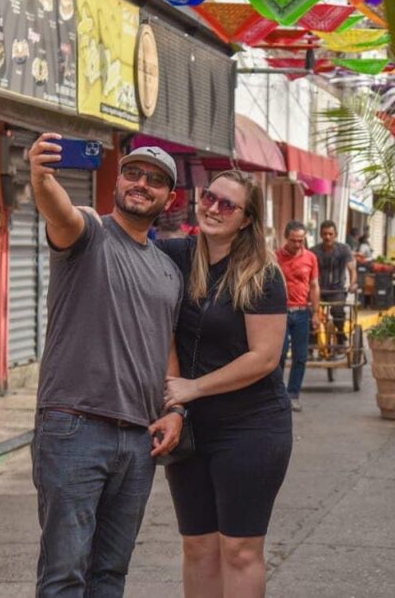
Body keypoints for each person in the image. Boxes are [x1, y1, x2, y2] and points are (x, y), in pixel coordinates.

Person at [27, 136, 184, 596]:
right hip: (74, 426)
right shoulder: (90, 233)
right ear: (117, 180)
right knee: (65, 573)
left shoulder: (167, 269)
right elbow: (59, 212)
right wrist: (41, 176)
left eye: (155, 180)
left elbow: (166, 344)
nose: (142, 184)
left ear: (168, 198)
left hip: (138, 440)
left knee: (110, 574)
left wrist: (174, 409)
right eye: (133, 173)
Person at [157, 170, 292, 598]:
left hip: (251, 426)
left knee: (239, 550)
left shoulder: (262, 275)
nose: (213, 208)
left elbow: (264, 358)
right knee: (197, 546)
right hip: (190, 427)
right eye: (210, 198)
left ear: (247, 219)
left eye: (227, 205)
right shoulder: (176, 256)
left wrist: (191, 388)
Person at [276, 220, 320, 412]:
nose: (297, 244)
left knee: (300, 357)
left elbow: (314, 285)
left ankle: (293, 394)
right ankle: (277, 395)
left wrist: (316, 313)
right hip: (281, 313)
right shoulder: (276, 257)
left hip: (302, 312)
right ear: (287, 238)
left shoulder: (310, 258)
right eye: (294, 240)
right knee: (279, 355)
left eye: (301, 240)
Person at [311, 220, 357, 351]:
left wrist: (353, 283)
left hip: (337, 290)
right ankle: (311, 341)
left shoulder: (344, 249)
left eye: (330, 234)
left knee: (338, 312)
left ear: (335, 234)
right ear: (320, 234)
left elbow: (351, 268)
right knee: (310, 313)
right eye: (325, 234)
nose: (327, 237)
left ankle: (341, 335)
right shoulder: (314, 251)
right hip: (318, 290)